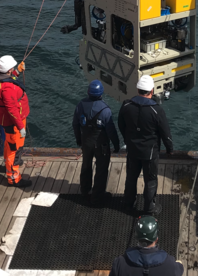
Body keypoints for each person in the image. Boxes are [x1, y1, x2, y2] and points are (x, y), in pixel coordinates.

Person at [118, 75, 174, 215]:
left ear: (138, 89)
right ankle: (149, 208)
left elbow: (121, 124)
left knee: (131, 178)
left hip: (132, 150)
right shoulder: (156, 110)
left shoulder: (126, 105)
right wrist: (169, 149)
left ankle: (128, 204)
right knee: (150, 181)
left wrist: (127, 140)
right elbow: (166, 133)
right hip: (150, 153)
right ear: (152, 91)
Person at [73, 79, 121, 205]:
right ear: (101, 93)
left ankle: (84, 191)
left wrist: (79, 139)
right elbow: (111, 130)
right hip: (101, 144)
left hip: (86, 142)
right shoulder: (105, 110)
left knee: (86, 166)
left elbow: (75, 124)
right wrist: (116, 145)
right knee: (101, 169)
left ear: (88, 92)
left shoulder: (81, 105)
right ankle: (97, 196)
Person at [0, 54, 31, 187]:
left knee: (9, 144)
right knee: (15, 148)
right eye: (13, 68)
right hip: (14, 122)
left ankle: (11, 164)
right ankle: (14, 178)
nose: (13, 69)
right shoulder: (7, 88)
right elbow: (12, 110)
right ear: (8, 70)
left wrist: (17, 72)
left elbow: (9, 78)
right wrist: (20, 127)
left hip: (8, 120)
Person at [109, 216, 184, 276]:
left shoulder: (120, 263)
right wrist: (179, 264)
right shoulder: (170, 264)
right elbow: (179, 270)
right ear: (156, 239)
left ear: (137, 237)